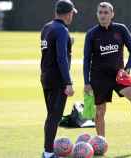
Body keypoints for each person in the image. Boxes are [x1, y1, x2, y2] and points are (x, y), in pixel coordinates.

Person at [83, 2, 131, 140]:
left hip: (118, 76)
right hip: (99, 77)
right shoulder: (91, 34)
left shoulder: (121, 29)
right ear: (97, 14)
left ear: (112, 14)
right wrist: (87, 82)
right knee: (100, 111)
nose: (102, 15)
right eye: (100, 12)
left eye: (106, 12)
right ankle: (101, 141)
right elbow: (86, 60)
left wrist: (127, 69)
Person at [40, 0, 77, 157]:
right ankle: (48, 153)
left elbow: (50, 51)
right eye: (71, 14)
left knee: (51, 117)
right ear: (68, 14)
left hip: (46, 77)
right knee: (54, 117)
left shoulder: (47, 27)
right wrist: (68, 83)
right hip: (58, 80)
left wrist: (69, 42)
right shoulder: (62, 30)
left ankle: (47, 151)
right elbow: (61, 57)